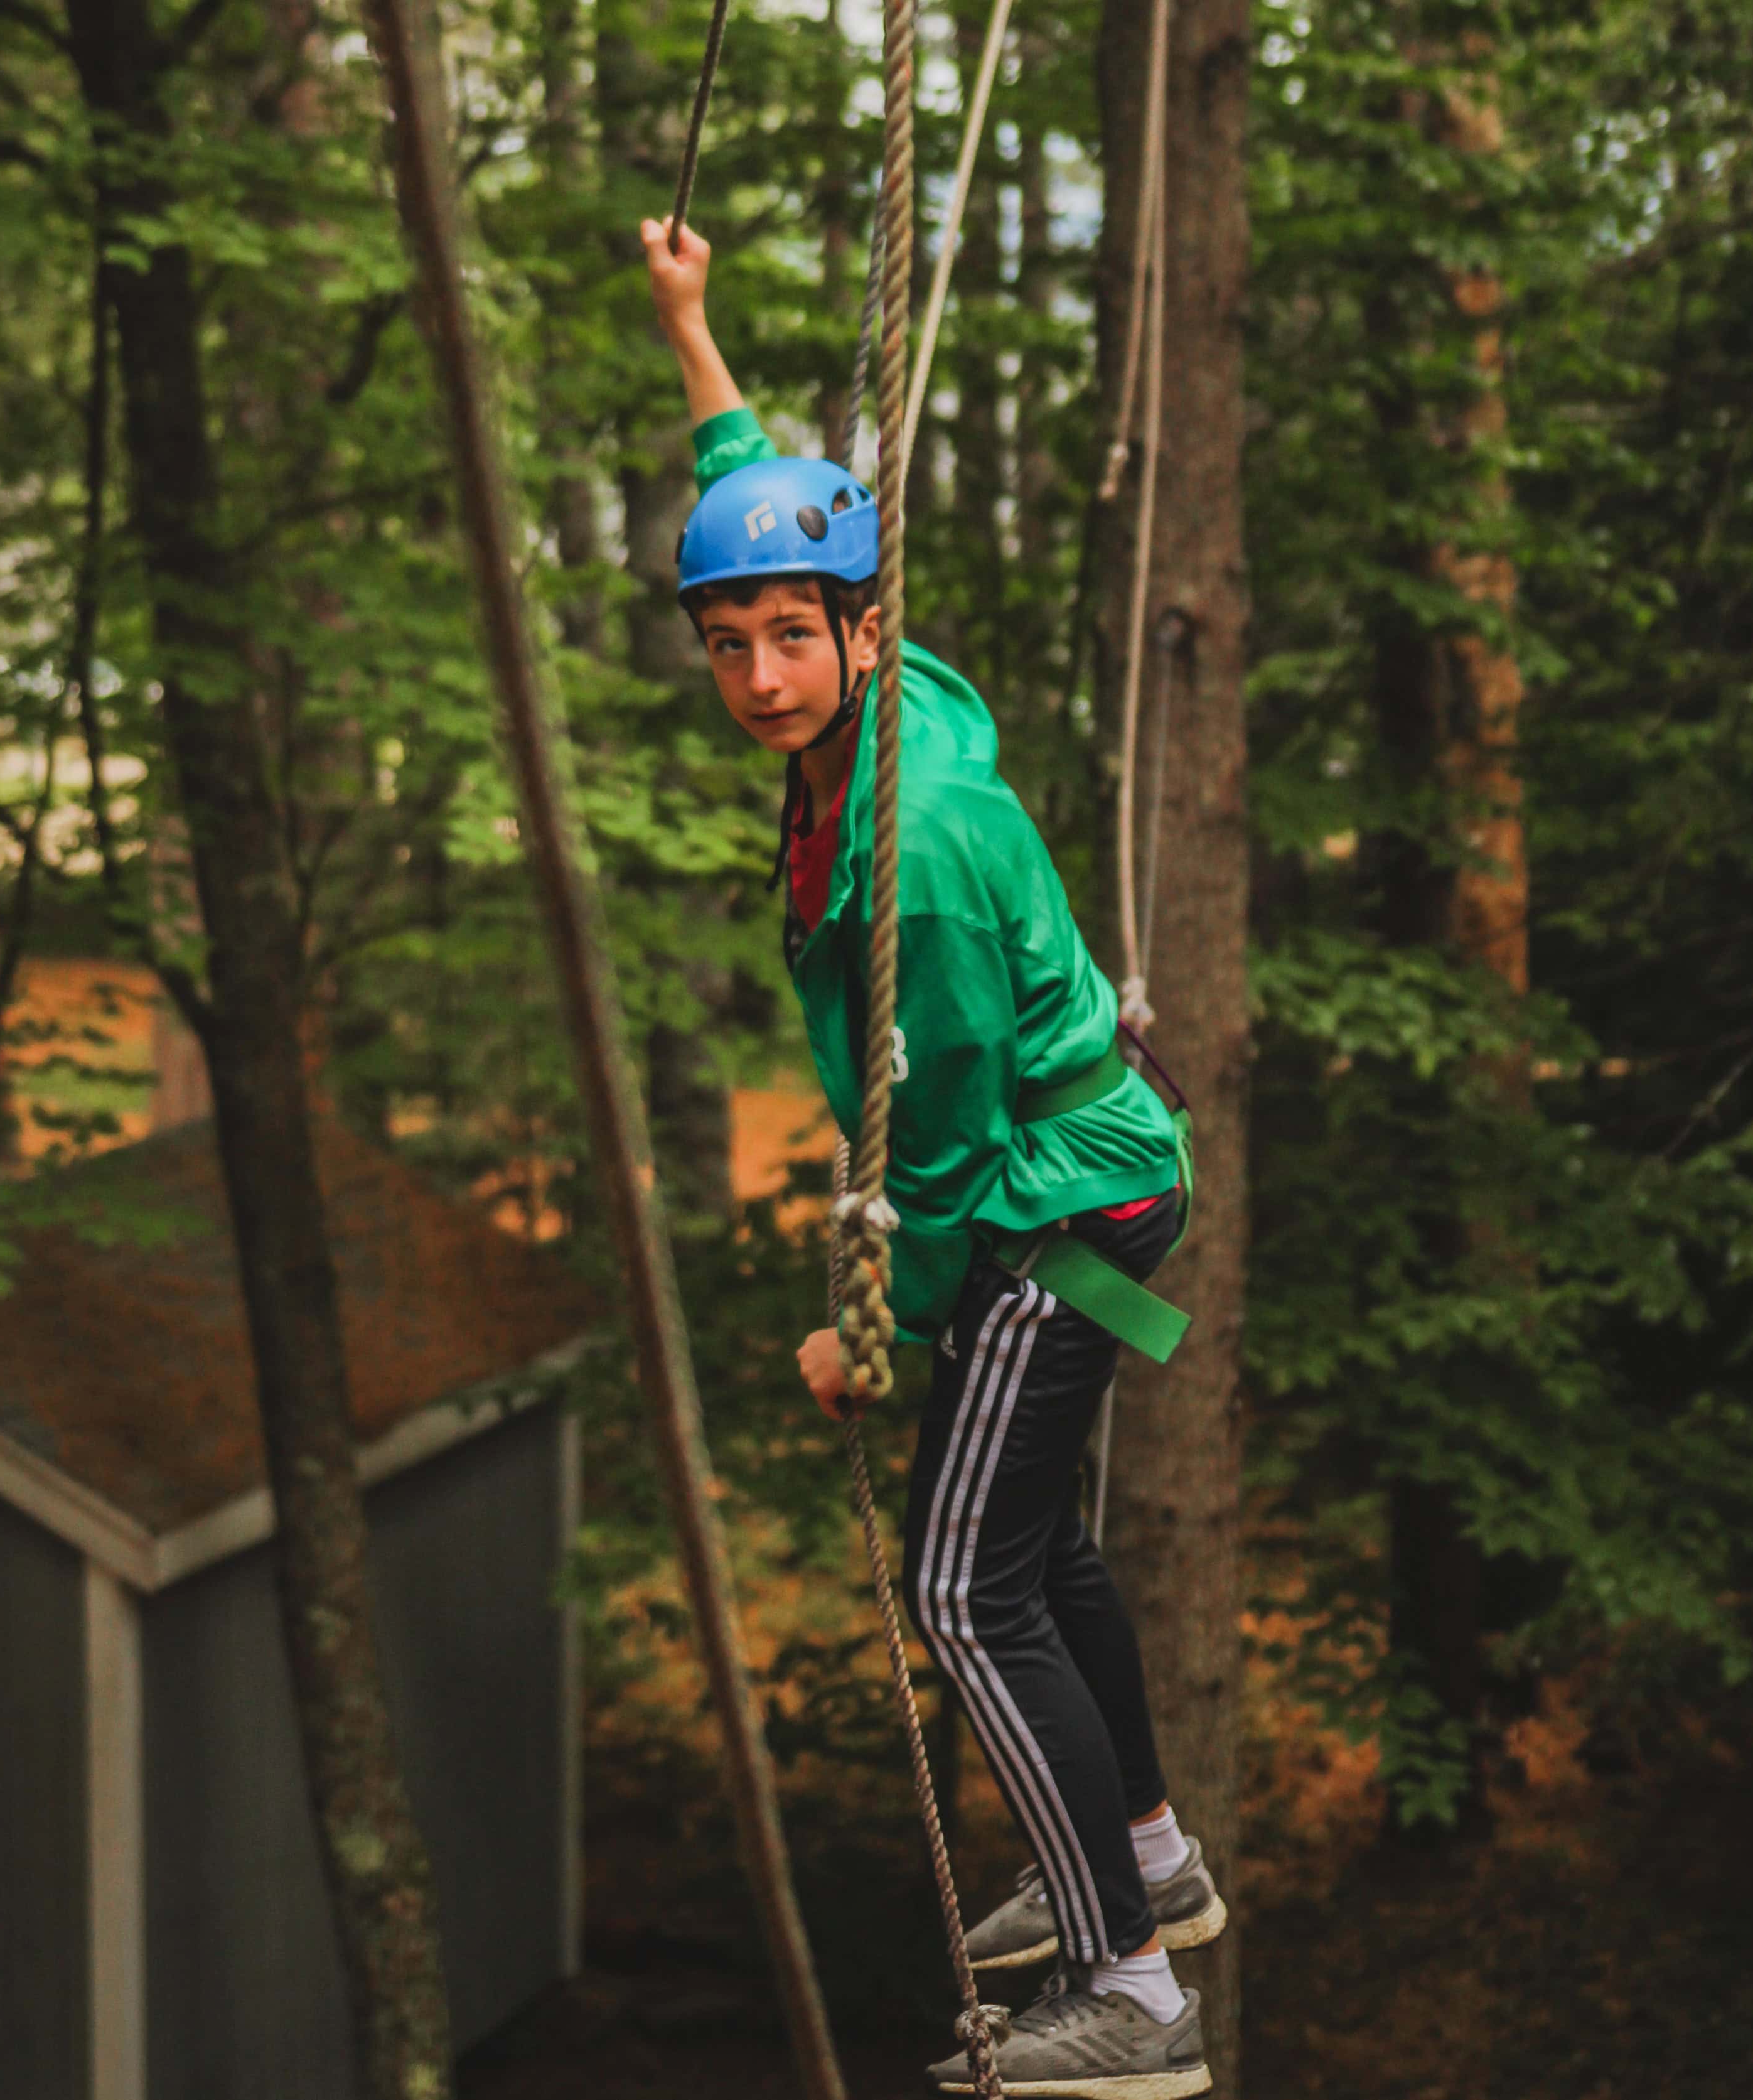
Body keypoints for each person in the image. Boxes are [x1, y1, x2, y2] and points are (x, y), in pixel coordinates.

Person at [641, 217, 1228, 2099]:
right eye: (728, 644)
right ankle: (1144, 1855)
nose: (760, 675)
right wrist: (691, 324)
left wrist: (873, 1333)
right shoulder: (867, 699)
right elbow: (756, 488)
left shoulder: (920, 853)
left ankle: (1130, 1992)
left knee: (964, 1590)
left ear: (861, 630)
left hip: (1059, 1201)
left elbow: (951, 1161)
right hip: (1095, 1176)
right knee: (1029, 1543)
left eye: (788, 639)